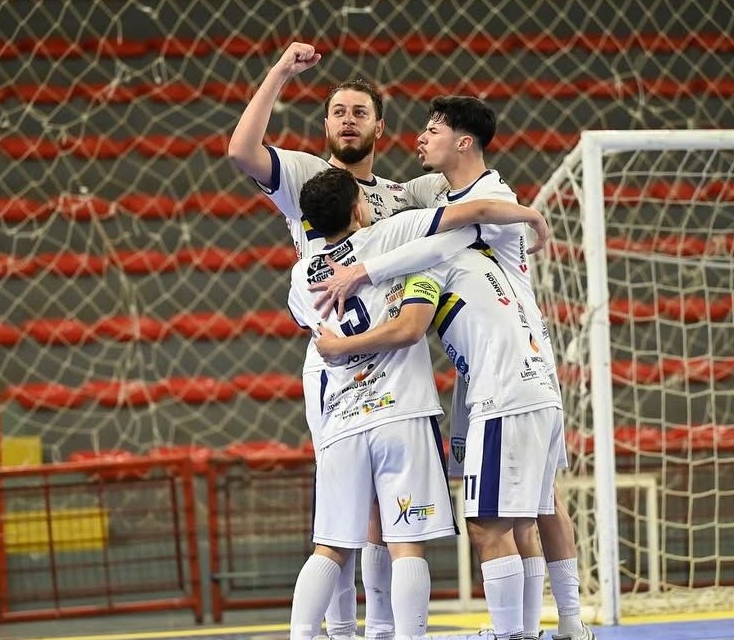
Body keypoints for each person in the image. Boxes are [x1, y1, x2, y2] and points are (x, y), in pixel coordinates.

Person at [310, 95, 594, 640]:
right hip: (517, 374)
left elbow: (452, 242)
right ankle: (556, 628)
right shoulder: (455, 202)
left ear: (464, 141)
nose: (420, 137)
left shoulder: (486, 199)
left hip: (503, 378)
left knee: (492, 521)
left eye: (432, 128)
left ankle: (518, 632)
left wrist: (361, 271)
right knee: (532, 509)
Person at [286, 166, 552, 640]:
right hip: (402, 413)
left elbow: (315, 333)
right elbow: (477, 213)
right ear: (357, 208)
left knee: (328, 546)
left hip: (343, 420)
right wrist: (529, 214)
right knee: (406, 544)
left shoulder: (301, 274)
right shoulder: (390, 235)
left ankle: (305, 635)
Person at [227, 41, 426, 639]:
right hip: (346, 370)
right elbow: (240, 150)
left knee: (368, 524)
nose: (346, 119)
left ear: (379, 127)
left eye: (358, 112)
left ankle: (380, 630)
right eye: (338, 110)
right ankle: (345, 632)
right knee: (360, 523)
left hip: (382, 358)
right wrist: (282, 71)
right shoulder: (310, 176)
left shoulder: (398, 195)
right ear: (325, 124)